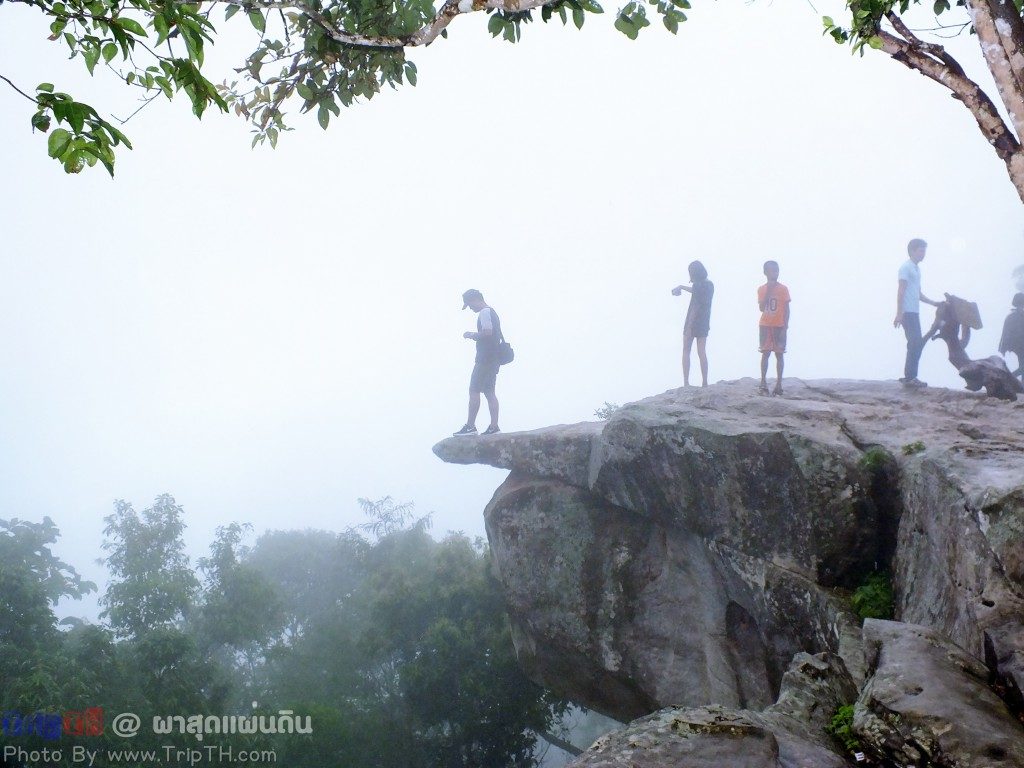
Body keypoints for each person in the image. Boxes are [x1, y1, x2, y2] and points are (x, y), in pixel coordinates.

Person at [453, 289, 501, 436]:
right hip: (494, 358)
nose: (470, 308)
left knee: (474, 390)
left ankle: (470, 426)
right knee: (489, 391)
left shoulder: (485, 312)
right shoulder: (492, 311)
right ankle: (494, 427)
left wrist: (471, 335)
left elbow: (487, 332)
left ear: (476, 299)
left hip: (484, 358)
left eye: (469, 304)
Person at [893, 238, 939, 388]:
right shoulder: (905, 268)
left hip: (915, 311)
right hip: (907, 312)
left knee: (915, 343)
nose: (923, 253)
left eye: (924, 250)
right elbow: (901, 291)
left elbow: (918, 293)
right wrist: (899, 313)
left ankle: (910, 376)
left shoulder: (917, 269)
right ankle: (910, 377)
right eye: (921, 250)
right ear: (912, 250)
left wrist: (933, 303)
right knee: (914, 342)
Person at [672, 260, 714, 387]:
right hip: (704, 322)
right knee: (702, 352)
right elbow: (696, 290)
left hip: (693, 320)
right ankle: (705, 382)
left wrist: (681, 287)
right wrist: (681, 287)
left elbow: (695, 296)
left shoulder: (698, 286)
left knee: (686, 350)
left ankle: (686, 382)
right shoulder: (710, 285)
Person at [757, 260, 790, 396]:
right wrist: (769, 290)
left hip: (779, 325)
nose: (774, 273)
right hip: (765, 325)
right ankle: (763, 382)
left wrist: (785, 326)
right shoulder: (762, 289)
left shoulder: (783, 289)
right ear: (765, 272)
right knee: (765, 353)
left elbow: (787, 309)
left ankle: (779, 384)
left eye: (776, 271)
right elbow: (761, 308)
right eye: (771, 271)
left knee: (779, 354)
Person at [999, 292, 1024, 382]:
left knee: (1022, 366)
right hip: (1018, 345)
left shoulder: (1015, 315)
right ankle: (1007, 379)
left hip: (1019, 345)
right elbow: (1007, 333)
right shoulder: (1014, 316)